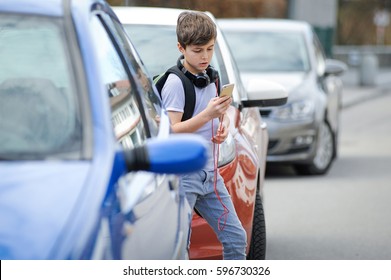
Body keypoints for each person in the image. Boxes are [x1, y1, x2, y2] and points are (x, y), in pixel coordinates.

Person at [160, 10, 247, 260]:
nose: (205, 56)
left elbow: (222, 114)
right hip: (184, 176)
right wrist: (207, 116)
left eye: (210, 49)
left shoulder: (212, 77)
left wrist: (224, 123)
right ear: (181, 47)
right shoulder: (175, 84)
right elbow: (171, 130)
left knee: (236, 239)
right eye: (198, 51)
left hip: (211, 175)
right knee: (180, 249)